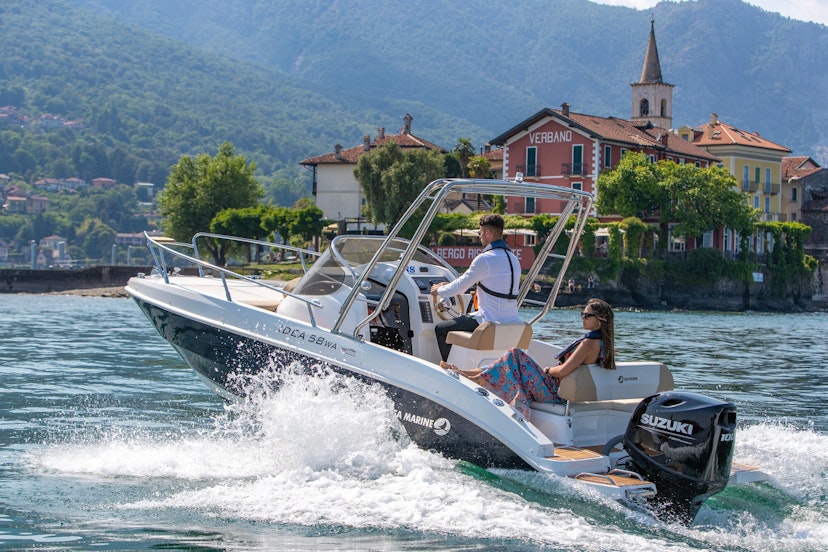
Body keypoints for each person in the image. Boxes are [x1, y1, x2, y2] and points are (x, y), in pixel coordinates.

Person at [441, 298, 616, 419]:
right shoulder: (602, 343)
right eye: (582, 314)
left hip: (555, 393)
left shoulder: (589, 343)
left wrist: (547, 370)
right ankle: (467, 373)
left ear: (599, 321)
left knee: (515, 355)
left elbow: (563, 371)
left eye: (587, 316)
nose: (583, 318)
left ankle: (475, 378)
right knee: (511, 361)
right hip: (557, 390)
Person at [430, 213, 522, 361]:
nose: (479, 236)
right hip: (512, 320)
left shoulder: (485, 259)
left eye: (480, 233)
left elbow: (459, 287)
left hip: (489, 320)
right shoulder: (514, 259)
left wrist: (438, 290)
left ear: (488, 233)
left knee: (441, 329)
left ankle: (453, 371)